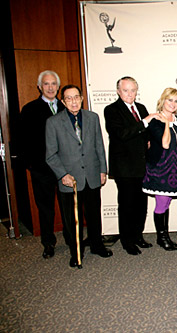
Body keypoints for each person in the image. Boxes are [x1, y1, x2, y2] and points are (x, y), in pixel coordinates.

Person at [45, 84, 112, 268]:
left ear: (81, 98)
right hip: (69, 180)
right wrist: (62, 174)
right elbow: (50, 155)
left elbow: (99, 145)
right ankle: (76, 253)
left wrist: (102, 170)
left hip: (91, 176)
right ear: (63, 101)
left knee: (93, 215)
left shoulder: (92, 117)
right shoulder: (53, 122)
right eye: (68, 98)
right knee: (71, 220)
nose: (73, 101)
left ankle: (97, 245)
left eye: (76, 97)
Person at [104, 77, 160, 255]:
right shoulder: (112, 110)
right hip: (125, 168)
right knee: (127, 205)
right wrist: (145, 122)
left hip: (142, 166)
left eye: (133, 90)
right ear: (118, 91)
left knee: (141, 205)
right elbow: (122, 134)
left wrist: (150, 140)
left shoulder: (141, 108)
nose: (130, 94)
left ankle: (137, 236)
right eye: (126, 90)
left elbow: (145, 134)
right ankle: (127, 241)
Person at [20, 70, 67, 259]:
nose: (50, 87)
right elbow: (22, 140)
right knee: (46, 208)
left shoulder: (66, 107)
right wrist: (32, 166)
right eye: (46, 84)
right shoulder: (29, 109)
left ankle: (72, 240)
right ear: (40, 87)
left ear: (58, 86)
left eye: (54, 84)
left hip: (65, 169)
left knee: (66, 207)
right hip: (42, 170)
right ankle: (48, 243)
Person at [142, 88, 177, 252]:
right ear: (163, 101)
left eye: (176, 101)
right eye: (170, 100)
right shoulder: (155, 120)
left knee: (167, 202)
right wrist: (166, 123)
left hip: (174, 167)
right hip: (159, 167)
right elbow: (165, 143)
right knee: (161, 203)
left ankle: (165, 236)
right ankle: (162, 237)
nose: (173, 104)